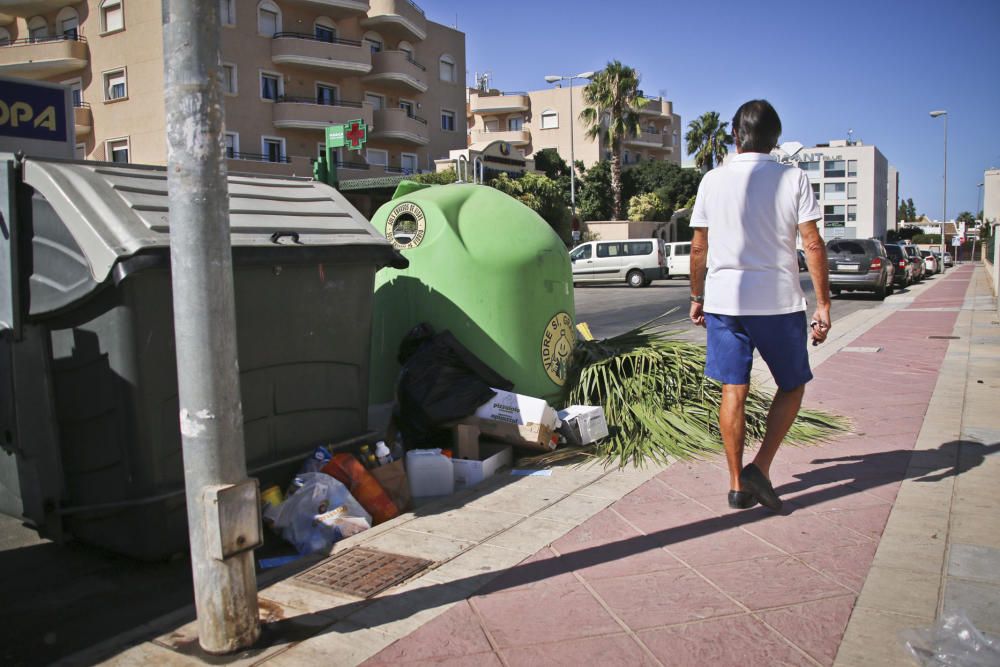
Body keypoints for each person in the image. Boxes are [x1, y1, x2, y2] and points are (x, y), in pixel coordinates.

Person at [688, 99, 830, 512]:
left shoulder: (712, 180)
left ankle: (736, 485)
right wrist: (822, 304)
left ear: (735, 135)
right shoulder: (793, 177)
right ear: (775, 138)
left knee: (734, 390)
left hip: (724, 301)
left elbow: (700, 247)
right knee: (792, 384)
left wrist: (697, 297)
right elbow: (813, 243)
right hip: (778, 303)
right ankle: (760, 467)